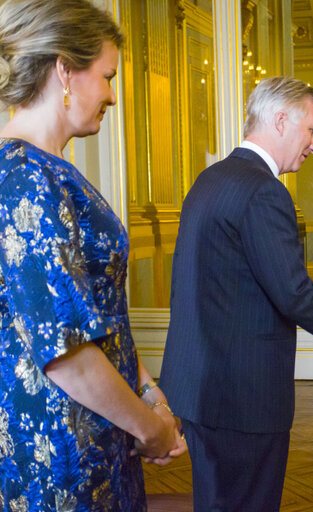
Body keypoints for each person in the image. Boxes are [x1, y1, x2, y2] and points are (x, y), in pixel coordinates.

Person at [159, 77, 313, 511]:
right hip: (242, 394)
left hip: (199, 385)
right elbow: (295, 295)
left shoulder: (211, 179)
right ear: (281, 119)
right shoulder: (263, 190)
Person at [0, 1, 185, 509]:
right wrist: (150, 429)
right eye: (106, 76)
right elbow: (66, 352)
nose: (111, 94)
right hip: (63, 448)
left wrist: (147, 392)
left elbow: (97, 314)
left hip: (99, 430)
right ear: (64, 69)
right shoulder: (26, 178)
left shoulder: (49, 169)